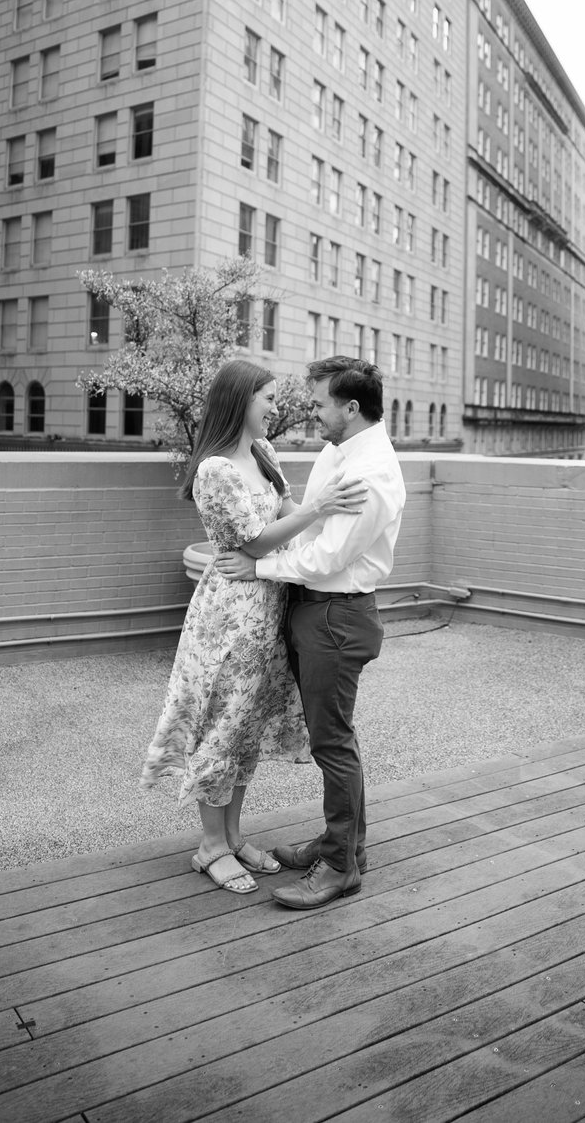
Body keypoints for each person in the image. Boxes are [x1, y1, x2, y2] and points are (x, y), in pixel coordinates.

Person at [140, 358, 366, 895]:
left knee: (244, 731)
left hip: (271, 610)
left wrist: (319, 519)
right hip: (232, 618)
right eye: (266, 398)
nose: (274, 407)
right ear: (240, 400)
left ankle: (233, 835)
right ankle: (210, 846)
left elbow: (285, 511)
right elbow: (255, 543)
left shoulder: (263, 455)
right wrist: (320, 508)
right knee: (221, 728)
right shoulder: (215, 469)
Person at [215, 356, 406, 910]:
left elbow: (328, 556)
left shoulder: (370, 473)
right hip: (315, 610)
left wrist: (258, 567)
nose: (310, 411)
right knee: (335, 740)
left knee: (333, 744)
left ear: (351, 407)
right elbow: (313, 524)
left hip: (336, 616)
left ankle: (340, 867)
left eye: (320, 402)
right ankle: (341, 845)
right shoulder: (337, 451)